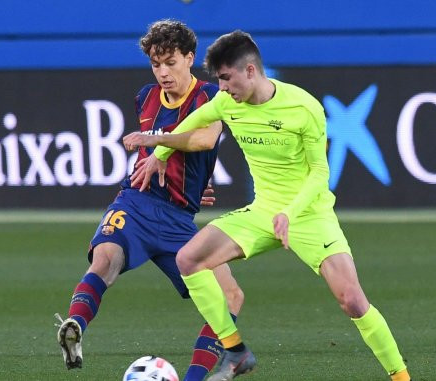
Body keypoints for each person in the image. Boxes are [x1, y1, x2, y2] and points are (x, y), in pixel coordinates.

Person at [133, 30, 411, 381]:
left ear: (250, 71)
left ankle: (401, 377)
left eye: (226, 78)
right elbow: (192, 123)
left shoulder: (304, 107)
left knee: (353, 301)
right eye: (218, 80)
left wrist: (290, 214)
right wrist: (159, 152)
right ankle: (235, 353)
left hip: (309, 215)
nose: (221, 88)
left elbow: (319, 174)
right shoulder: (225, 102)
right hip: (264, 211)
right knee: (188, 259)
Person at [55, 20, 244, 381]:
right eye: (156, 64)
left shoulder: (209, 96)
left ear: (190, 58)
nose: (163, 72)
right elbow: (158, 155)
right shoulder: (146, 96)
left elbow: (204, 140)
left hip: (178, 219)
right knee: (104, 260)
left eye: (171, 62)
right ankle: (74, 327)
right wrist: (157, 154)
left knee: (230, 296)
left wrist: (155, 146)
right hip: (137, 202)